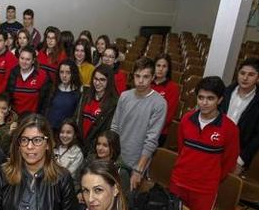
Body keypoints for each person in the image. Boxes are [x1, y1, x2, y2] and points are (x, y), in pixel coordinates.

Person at [170, 76, 239, 210]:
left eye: (210, 98)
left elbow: (228, 163)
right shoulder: (187, 119)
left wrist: (209, 178)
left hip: (204, 189)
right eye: (201, 97)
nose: (204, 102)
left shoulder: (229, 128)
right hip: (179, 182)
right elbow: (182, 148)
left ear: (219, 100)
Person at [110, 57, 166, 191]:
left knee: (127, 203)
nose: (141, 81)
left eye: (146, 77)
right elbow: (114, 127)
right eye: (137, 76)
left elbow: (151, 141)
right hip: (117, 156)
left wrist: (139, 170)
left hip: (137, 162)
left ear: (152, 77)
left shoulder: (159, 103)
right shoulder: (124, 96)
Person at [219, 58, 259, 175]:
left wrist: (240, 160)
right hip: (216, 144)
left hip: (238, 153)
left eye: (251, 75)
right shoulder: (226, 92)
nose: (245, 78)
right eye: (242, 73)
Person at [76, 66, 118, 151]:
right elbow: (76, 118)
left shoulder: (113, 104)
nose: (97, 83)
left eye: (102, 80)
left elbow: (106, 130)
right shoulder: (85, 95)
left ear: (109, 82)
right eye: (95, 79)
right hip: (78, 143)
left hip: (95, 148)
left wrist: (92, 148)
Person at [6, 46, 51, 116]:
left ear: (33, 61)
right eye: (22, 58)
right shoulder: (13, 73)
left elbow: (45, 102)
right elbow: (8, 97)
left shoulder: (42, 76)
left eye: (28, 59)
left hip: (32, 119)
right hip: (14, 118)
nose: (24, 62)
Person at [151, 53, 181, 146]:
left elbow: (168, 115)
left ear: (168, 69)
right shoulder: (146, 82)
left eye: (164, 66)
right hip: (139, 128)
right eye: (158, 65)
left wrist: (151, 128)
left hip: (159, 132)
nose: (160, 69)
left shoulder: (173, 88)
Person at [45, 59, 82, 132]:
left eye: (68, 72)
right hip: (49, 129)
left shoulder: (78, 92)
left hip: (66, 132)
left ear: (73, 73)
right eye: (61, 72)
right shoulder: (53, 88)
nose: (64, 75)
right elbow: (46, 109)